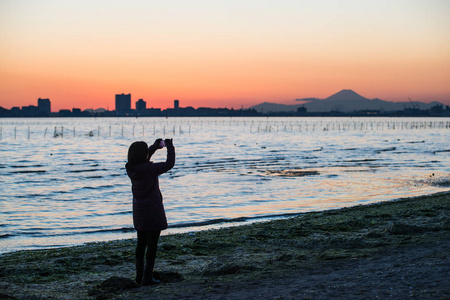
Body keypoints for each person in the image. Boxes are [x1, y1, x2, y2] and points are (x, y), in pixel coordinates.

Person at [126, 138, 175, 285]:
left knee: (141, 243)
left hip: (139, 211)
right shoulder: (149, 169)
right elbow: (169, 164)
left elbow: (143, 158)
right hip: (153, 210)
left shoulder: (131, 168)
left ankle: (139, 276)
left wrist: (153, 148)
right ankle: (147, 277)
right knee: (152, 244)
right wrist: (170, 147)